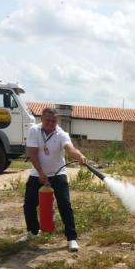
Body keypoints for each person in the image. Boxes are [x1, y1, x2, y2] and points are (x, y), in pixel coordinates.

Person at [22, 107, 87, 252]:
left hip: (58, 173)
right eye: (47, 120)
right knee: (29, 205)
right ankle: (33, 231)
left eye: (54, 121)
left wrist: (79, 156)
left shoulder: (61, 134)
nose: (51, 123)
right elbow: (32, 153)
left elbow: (69, 148)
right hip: (37, 173)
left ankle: (71, 238)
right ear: (42, 119)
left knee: (65, 205)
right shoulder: (34, 130)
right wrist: (40, 172)